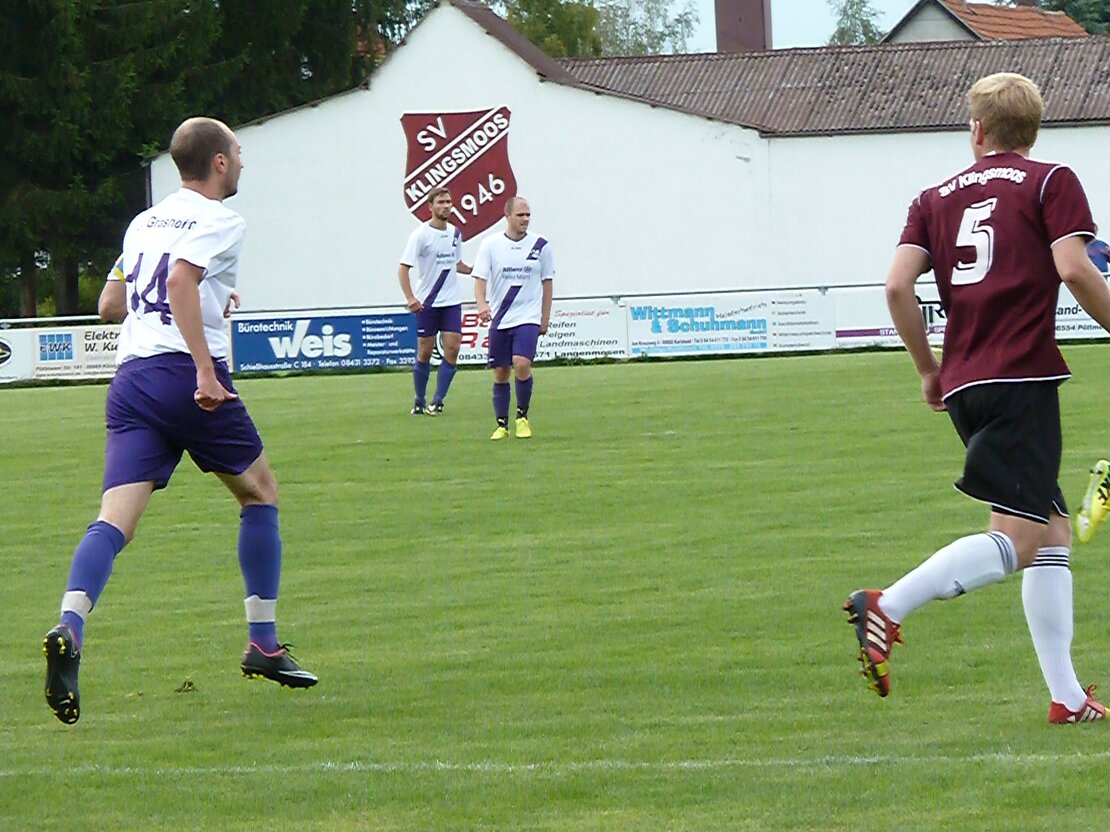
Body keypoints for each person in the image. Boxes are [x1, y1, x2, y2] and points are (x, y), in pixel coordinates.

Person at [844, 72, 1110, 724]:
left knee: (1051, 533)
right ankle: (888, 604)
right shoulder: (1051, 180)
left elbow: (897, 287)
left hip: (965, 382)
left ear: (978, 130)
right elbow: (1075, 267)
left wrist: (927, 369)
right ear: (1033, 130)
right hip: (1021, 377)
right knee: (1017, 538)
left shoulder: (932, 198)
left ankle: (1067, 698)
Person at [42, 116, 316, 726]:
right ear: (219, 162)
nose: (242, 160)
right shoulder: (223, 219)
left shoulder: (144, 222)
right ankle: (263, 643)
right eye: (237, 151)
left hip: (132, 381)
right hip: (185, 378)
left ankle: (70, 624)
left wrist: (207, 301)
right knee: (260, 493)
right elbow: (180, 280)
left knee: (114, 521)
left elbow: (111, 304)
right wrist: (204, 370)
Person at [472, 196, 554, 440]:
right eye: (520, 215)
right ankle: (502, 424)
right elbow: (480, 278)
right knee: (501, 372)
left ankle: (522, 417)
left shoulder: (540, 245)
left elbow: (547, 282)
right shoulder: (491, 245)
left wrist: (545, 316)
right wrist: (482, 304)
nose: (525, 219)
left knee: (521, 363)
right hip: (501, 318)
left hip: (528, 316)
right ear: (507, 216)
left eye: (528, 215)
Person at [398, 187, 472, 415]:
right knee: (425, 352)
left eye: (448, 202)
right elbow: (403, 269)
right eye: (441, 202)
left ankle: (438, 400)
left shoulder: (455, 233)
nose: (446, 206)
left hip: (451, 302)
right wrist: (410, 298)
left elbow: (456, 264)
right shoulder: (420, 235)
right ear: (430, 206)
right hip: (427, 302)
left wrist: (476, 270)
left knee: (453, 348)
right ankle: (419, 400)